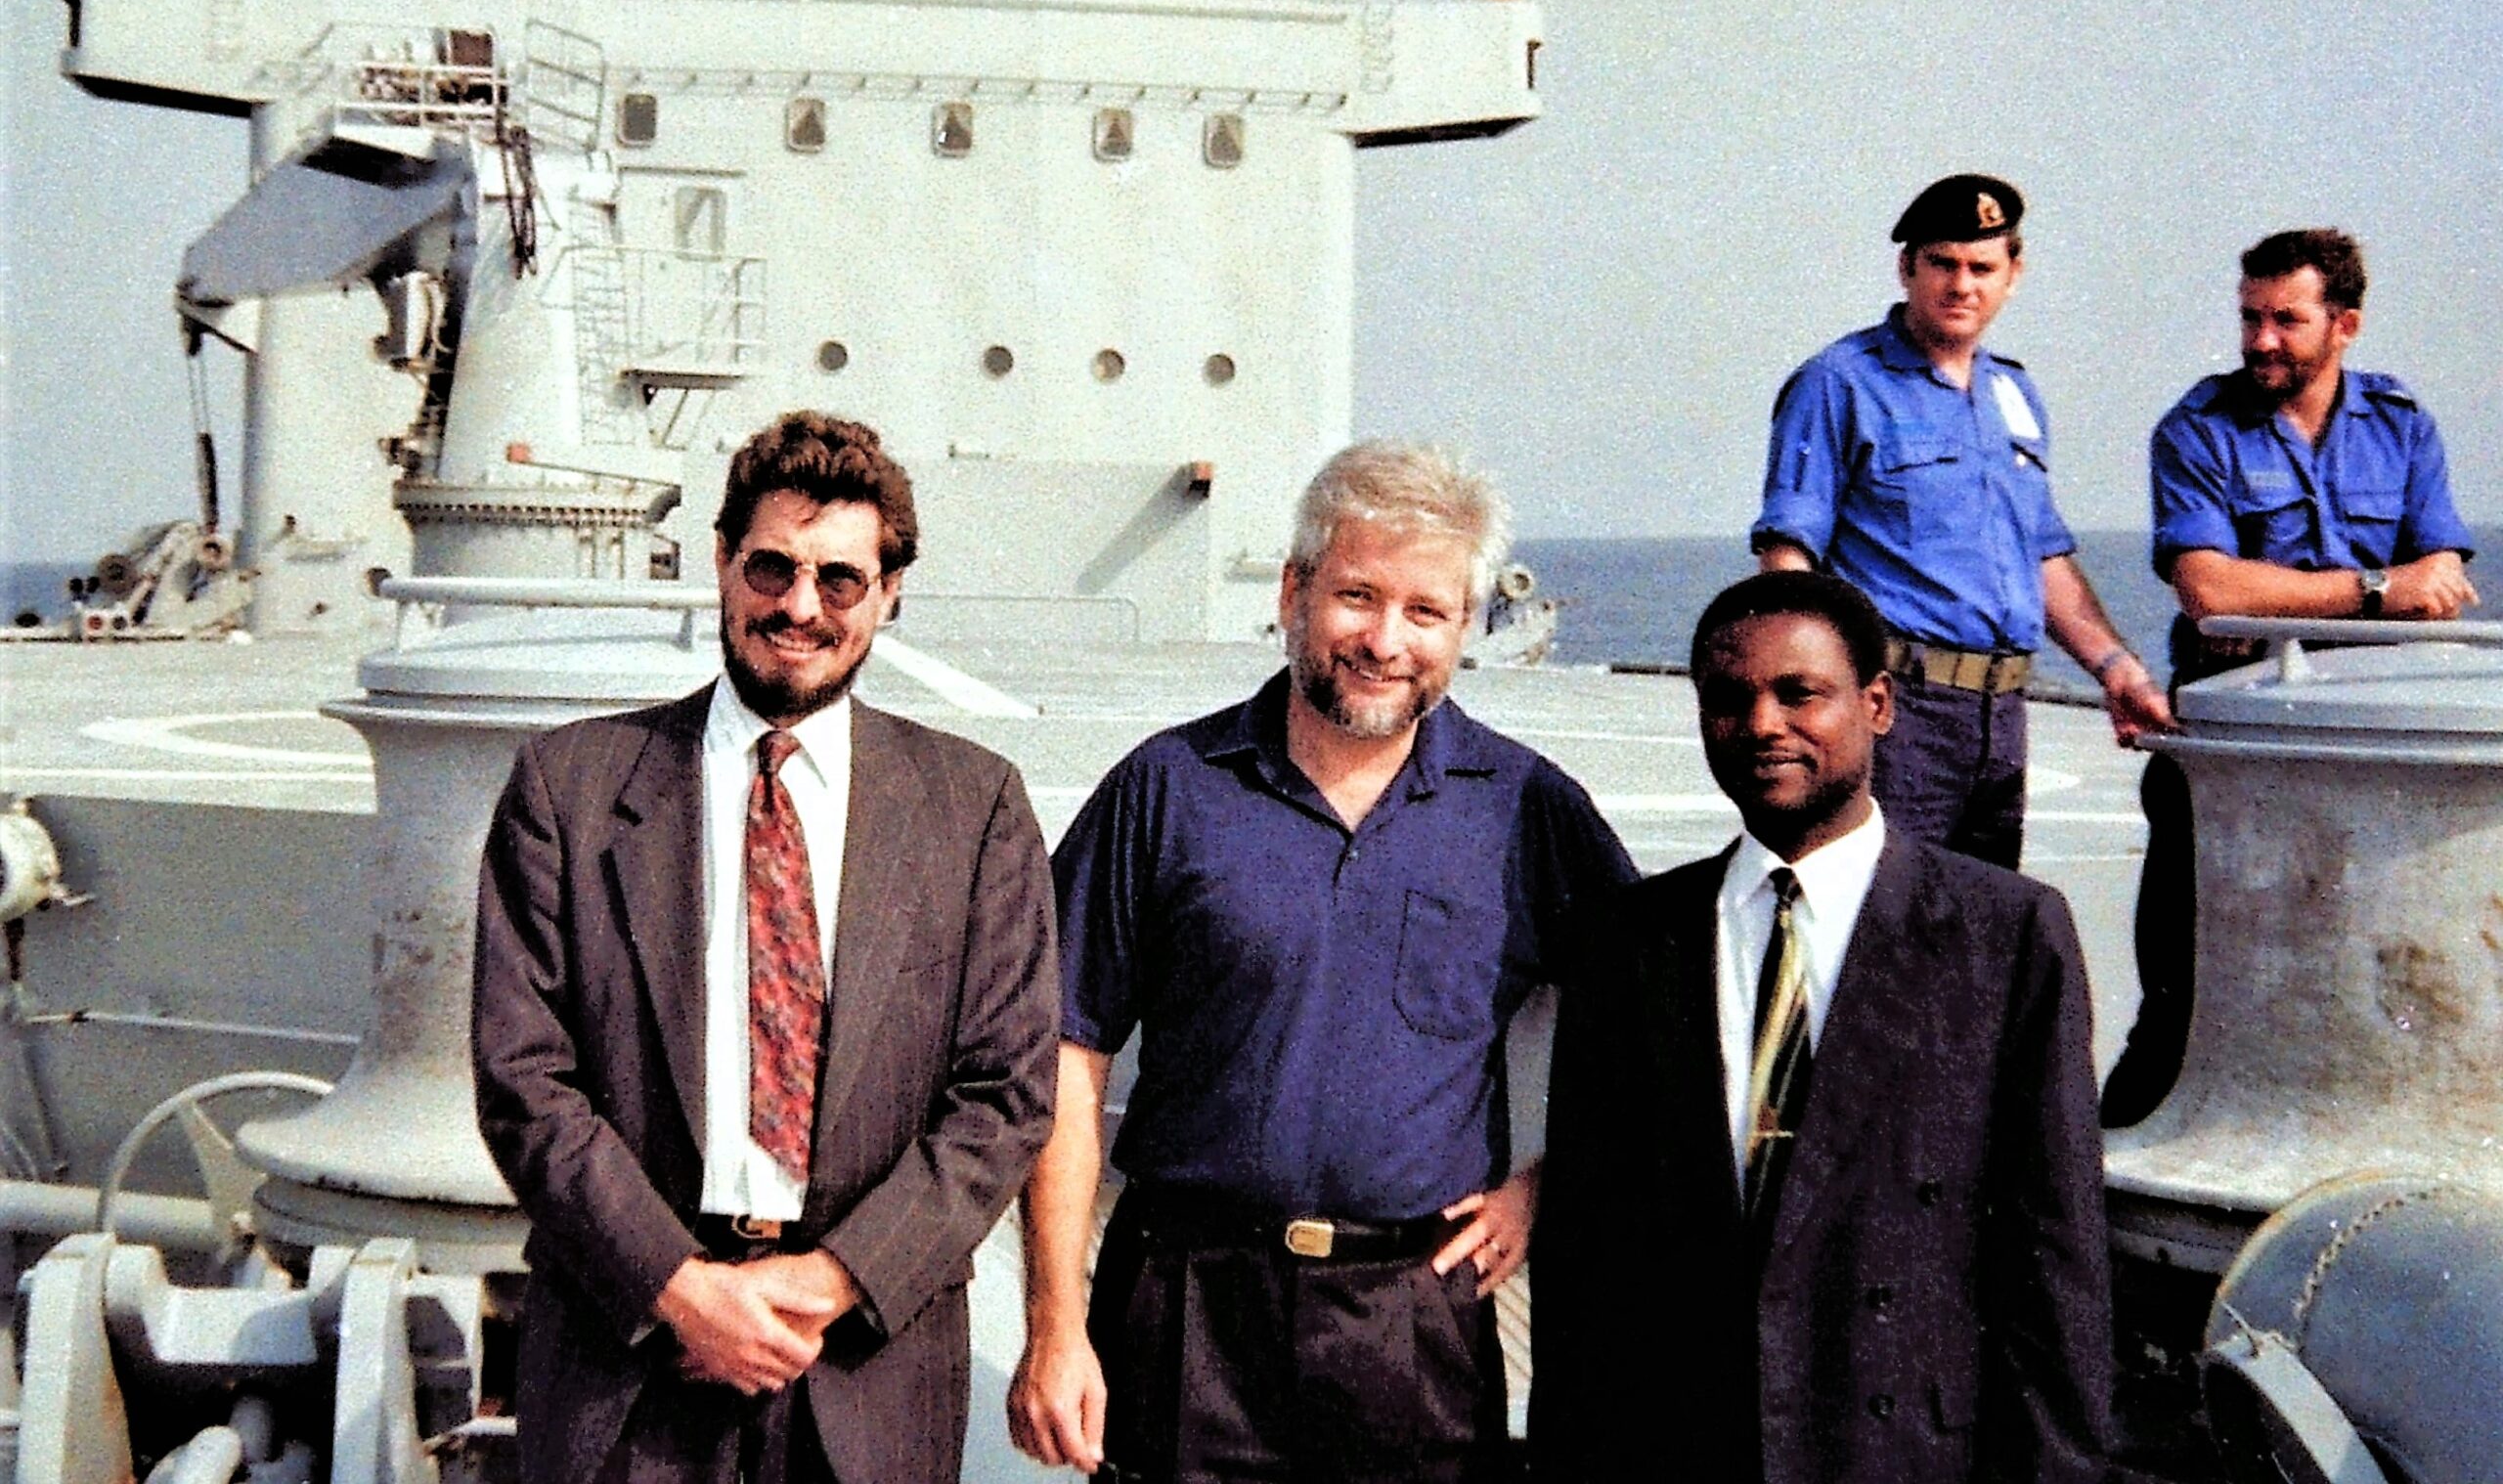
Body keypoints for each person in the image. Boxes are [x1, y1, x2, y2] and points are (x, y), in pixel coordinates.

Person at [1008, 440, 1635, 1482]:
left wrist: (1545, 1182)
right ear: (1294, 592)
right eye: (1356, 595)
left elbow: (1653, 1015)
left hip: (1413, 1319)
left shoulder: (1526, 809)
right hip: (1184, 1310)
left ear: (1465, 625)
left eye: (1425, 611)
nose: (1385, 640)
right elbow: (1066, 1050)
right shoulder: (1166, 788)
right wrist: (1056, 1321)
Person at [472, 412, 1059, 1484]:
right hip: (628, 1362)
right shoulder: (568, 790)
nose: (798, 605)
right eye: (771, 567)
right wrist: (680, 1286)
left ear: (888, 596)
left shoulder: (973, 809)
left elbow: (1005, 1093)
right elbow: (524, 1079)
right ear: (720, 565)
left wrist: (833, 1279)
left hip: (864, 1369)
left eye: (839, 580)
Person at [1532, 570, 2113, 1483]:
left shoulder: (2003, 934)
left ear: (1877, 704)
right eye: (1729, 699)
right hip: (1680, 1449)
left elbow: (2057, 1258)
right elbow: (1583, 1261)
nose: (1763, 725)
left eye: (1799, 693)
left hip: (1903, 1455)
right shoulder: (1628, 941)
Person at [2098, 229, 2479, 1125]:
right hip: (2231, 757)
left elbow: (2447, 587)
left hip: (2363, 755)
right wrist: (2381, 590)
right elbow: (2209, 589)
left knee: (2370, 977)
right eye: (2250, 318)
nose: (2261, 340)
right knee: (2182, 1002)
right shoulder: (2198, 432)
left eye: (2286, 320)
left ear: (2344, 325)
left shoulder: (2402, 426)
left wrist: (2295, 602)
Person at [1752, 173, 2172, 868]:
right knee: (1880, 932)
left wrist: (2117, 669)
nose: (1961, 285)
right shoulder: (1842, 382)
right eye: (1942, 264)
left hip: (2001, 719)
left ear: (2014, 274)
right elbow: (1789, 558)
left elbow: (2042, 558)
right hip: (1897, 715)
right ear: (1906, 267)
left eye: (1982, 267)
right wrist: (1816, 705)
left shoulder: (2015, 393)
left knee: (1978, 934)